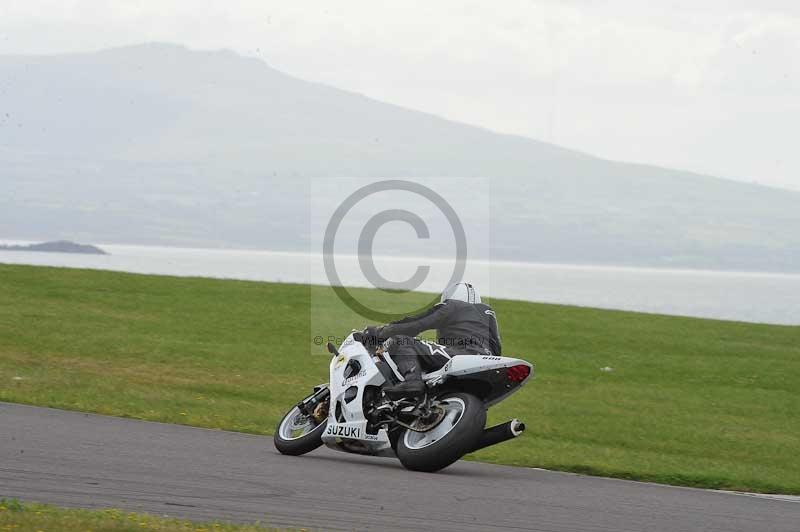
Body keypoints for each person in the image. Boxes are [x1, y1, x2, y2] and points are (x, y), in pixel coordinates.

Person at [363, 282, 502, 399]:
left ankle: (412, 381)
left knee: (401, 340)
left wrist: (380, 332)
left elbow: (417, 324)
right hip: (489, 365)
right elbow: (497, 349)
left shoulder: (453, 305)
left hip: (464, 355)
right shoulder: (488, 316)